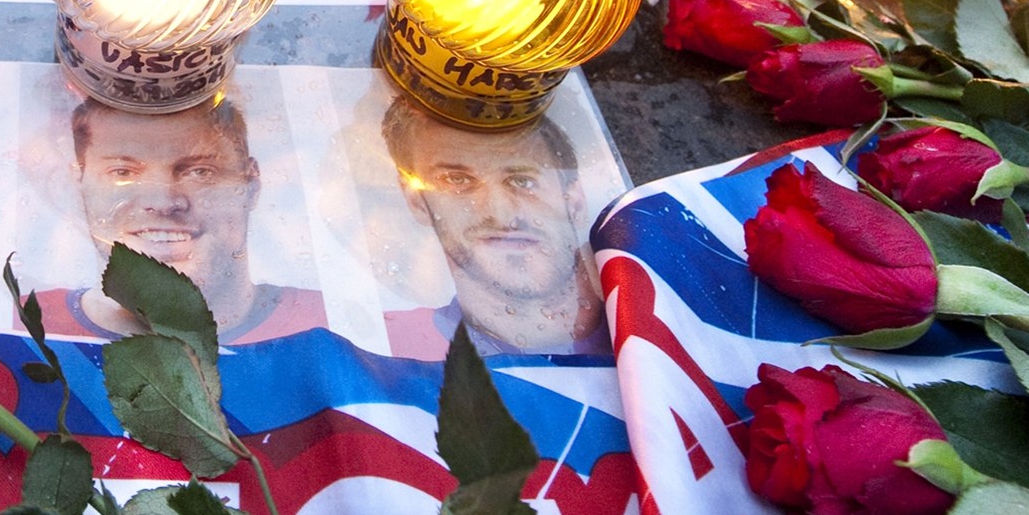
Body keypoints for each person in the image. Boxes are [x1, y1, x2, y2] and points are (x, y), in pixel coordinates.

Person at [36, 97, 326, 345]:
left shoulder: (323, 329)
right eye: (122, 172)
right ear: (79, 186)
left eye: (200, 172)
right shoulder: (27, 329)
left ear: (252, 185)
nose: (163, 203)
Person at [379, 95, 609, 358]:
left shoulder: (647, 320)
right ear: (417, 201)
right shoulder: (382, 354)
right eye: (457, 180)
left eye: (522, 181)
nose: (501, 215)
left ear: (575, 201)